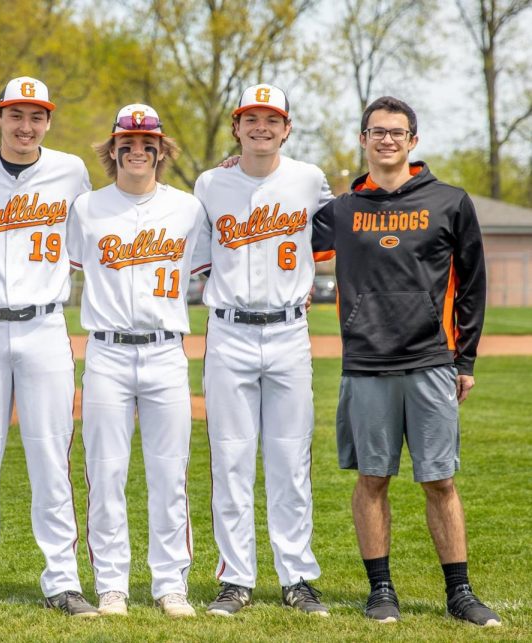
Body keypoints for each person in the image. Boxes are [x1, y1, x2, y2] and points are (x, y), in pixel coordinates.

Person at [312, 96, 500, 627]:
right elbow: (280, 230)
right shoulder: (342, 211)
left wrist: (464, 359)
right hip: (366, 363)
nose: (387, 140)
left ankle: (460, 592)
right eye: (377, 132)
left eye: (397, 132)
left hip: (429, 362)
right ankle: (381, 591)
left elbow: (473, 285)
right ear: (363, 139)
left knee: (439, 480)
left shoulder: (449, 201)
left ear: (413, 140)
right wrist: (246, 168)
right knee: (372, 478)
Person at [0, 76, 97, 618]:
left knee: (51, 457)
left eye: (36, 116)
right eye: (16, 115)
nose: (25, 126)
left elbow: (111, 211)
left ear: (48, 122)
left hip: (45, 328)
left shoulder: (72, 170)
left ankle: (63, 579)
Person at [194, 84, 332, 617]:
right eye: (251, 119)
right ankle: (235, 578)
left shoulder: (308, 179)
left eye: (271, 120)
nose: (261, 128)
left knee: (290, 459)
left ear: (287, 128)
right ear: (236, 126)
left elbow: (340, 222)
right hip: (228, 332)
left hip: (288, 332)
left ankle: (297, 575)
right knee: (230, 458)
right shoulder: (211, 183)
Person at [68, 104, 209, 617]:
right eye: (126, 141)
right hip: (106, 350)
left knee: (169, 473)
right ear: (113, 149)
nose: (137, 149)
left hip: (166, 350)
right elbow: (74, 263)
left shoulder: (189, 209)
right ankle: (112, 584)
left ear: (161, 149)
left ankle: (170, 582)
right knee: (105, 472)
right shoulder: (87, 209)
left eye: (147, 142)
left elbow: (208, 262)